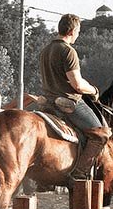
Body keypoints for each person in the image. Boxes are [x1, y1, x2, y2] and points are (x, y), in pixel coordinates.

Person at [39, 13, 108, 181]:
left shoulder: (45, 50)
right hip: (68, 101)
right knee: (101, 134)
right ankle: (79, 172)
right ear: (71, 31)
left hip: (48, 101)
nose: (78, 35)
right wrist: (93, 90)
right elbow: (77, 84)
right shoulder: (68, 51)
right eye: (78, 31)